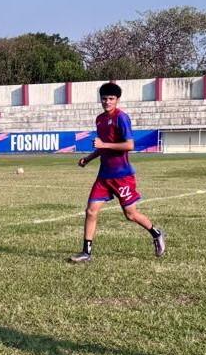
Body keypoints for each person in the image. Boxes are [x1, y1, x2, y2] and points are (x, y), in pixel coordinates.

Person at [68, 82, 165, 263]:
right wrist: (88, 159)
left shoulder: (122, 118)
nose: (107, 102)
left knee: (130, 214)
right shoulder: (100, 119)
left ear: (117, 100)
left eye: (111, 99)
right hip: (104, 175)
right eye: (104, 99)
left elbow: (129, 145)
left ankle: (156, 233)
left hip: (122, 176)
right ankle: (86, 252)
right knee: (91, 211)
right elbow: (102, 147)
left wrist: (104, 145)